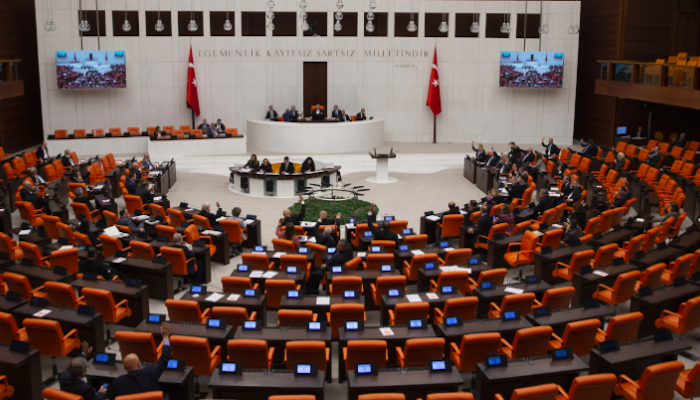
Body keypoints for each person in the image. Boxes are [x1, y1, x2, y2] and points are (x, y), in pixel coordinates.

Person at [113, 322, 172, 399]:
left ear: (125, 368)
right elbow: (164, 358)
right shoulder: (150, 372)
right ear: (138, 364)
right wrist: (165, 337)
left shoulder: (117, 382)